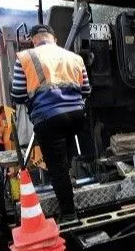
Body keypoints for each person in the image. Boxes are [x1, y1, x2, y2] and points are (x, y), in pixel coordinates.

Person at [10, 24, 91, 224]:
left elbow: (17, 94)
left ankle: (70, 214)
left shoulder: (25, 57)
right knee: (66, 158)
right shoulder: (74, 57)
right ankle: (70, 181)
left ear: (33, 40)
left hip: (49, 118)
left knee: (57, 168)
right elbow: (86, 90)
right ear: (54, 38)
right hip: (77, 116)